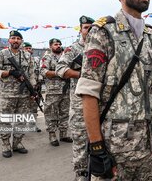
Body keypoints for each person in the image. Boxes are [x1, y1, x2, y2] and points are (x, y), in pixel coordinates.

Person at [75, 0, 152, 180]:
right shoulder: (104, 31)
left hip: (144, 144)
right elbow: (89, 92)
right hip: (113, 145)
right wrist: (97, 147)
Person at [55, 15, 94, 181]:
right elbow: (60, 69)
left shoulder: (103, 48)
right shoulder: (72, 50)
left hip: (101, 103)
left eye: (92, 28)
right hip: (79, 104)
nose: (89, 31)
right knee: (80, 141)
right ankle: (81, 174)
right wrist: (83, 75)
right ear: (80, 29)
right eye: (86, 28)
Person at [0, 30, 36, 158]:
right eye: (13, 38)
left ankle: (17, 143)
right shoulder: (1, 54)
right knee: (5, 120)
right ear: (9, 40)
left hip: (24, 94)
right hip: (7, 94)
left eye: (18, 38)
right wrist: (10, 73)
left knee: (21, 120)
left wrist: (33, 90)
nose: (16, 40)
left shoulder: (28, 55)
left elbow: (32, 73)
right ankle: (6, 144)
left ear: (21, 41)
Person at [41, 38, 72, 146]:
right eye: (55, 44)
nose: (58, 46)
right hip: (53, 90)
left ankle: (64, 134)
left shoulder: (65, 57)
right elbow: (44, 71)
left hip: (66, 89)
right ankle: (52, 134)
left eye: (59, 44)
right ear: (50, 46)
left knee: (65, 112)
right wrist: (60, 73)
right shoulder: (47, 57)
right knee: (51, 113)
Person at [23, 42, 42, 132]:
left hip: (35, 87)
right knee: (22, 107)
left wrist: (38, 83)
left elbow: (39, 72)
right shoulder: (20, 59)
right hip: (23, 87)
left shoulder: (36, 60)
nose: (29, 50)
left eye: (30, 48)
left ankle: (32, 125)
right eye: (27, 48)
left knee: (34, 107)